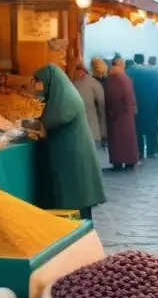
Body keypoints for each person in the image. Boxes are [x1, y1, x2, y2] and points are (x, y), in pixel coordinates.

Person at [34, 63, 106, 219]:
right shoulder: (63, 93)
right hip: (72, 152)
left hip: (74, 155)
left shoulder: (66, 99)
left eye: (40, 81)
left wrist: (37, 122)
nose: (39, 86)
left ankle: (82, 233)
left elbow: (56, 117)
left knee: (77, 197)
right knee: (77, 196)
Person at [103, 57, 139, 170]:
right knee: (128, 139)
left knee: (115, 139)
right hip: (125, 114)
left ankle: (117, 161)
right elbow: (129, 96)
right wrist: (132, 110)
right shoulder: (125, 78)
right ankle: (129, 160)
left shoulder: (109, 78)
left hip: (112, 114)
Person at [128, 53, 158, 159]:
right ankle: (151, 150)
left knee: (138, 129)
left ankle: (139, 151)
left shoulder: (130, 72)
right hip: (152, 104)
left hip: (137, 104)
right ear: (144, 60)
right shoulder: (155, 73)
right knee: (151, 128)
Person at [72, 60, 106, 148]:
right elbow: (102, 109)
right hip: (92, 131)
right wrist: (103, 133)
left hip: (75, 133)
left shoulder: (69, 84)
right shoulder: (95, 84)